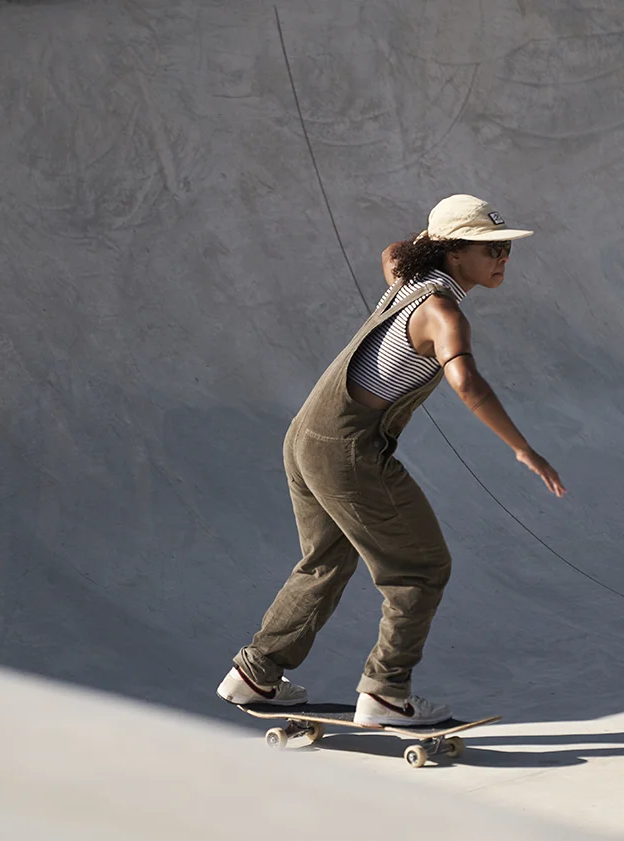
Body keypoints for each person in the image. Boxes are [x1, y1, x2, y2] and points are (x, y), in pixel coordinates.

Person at [217, 195, 566, 726]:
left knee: (326, 561)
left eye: (505, 249)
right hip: (347, 450)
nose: (502, 259)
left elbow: (391, 252)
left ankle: (256, 673)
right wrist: (522, 448)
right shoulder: (442, 312)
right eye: (490, 248)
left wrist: (425, 244)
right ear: (453, 254)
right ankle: (386, 691)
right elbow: (466, 383)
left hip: (306, 435)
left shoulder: (407, 280)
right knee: (421, 568)